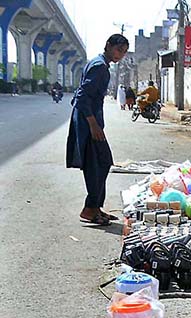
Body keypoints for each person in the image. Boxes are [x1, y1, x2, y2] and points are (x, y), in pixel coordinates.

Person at [66, 33, 129, 226]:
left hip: (87, 120)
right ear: (108, 45)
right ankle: (90, 209)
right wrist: (93, 124)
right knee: (100, 163)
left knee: (100, 163)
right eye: (119, 50)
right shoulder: (100, 67)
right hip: (88, 122)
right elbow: (82, 97)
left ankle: (95, 207)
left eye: (124, 52)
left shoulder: (98, 64)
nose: (120, 55)